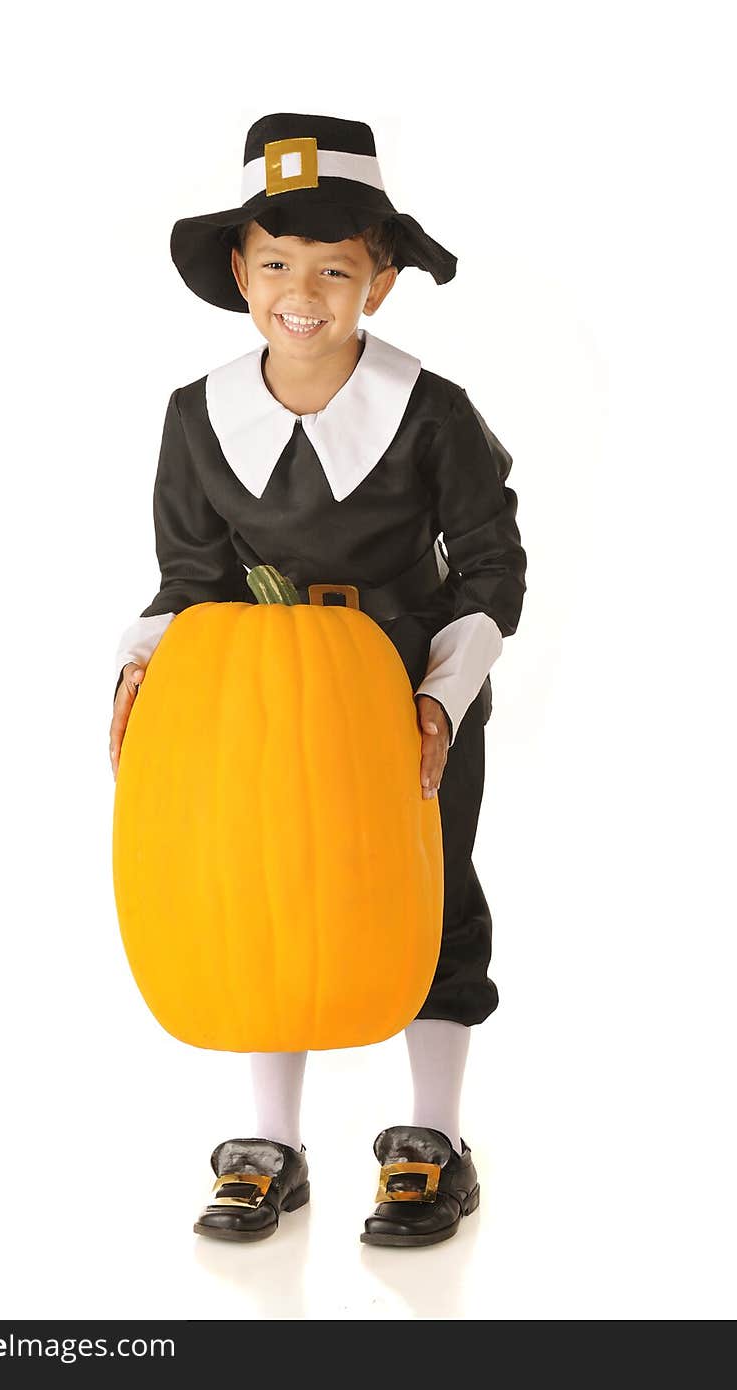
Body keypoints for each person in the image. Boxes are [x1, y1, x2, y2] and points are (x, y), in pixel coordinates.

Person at [109, 112, 527, 1247]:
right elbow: (187, 577)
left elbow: (490, 568)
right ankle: (271, 1146)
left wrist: (442, 695)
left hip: (402, 696)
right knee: (264, 896)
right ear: (242, 272)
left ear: (377, 284)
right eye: (279, 264)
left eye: (336, 269)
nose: (305, 292)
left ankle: (430, 1137)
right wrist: (137, 676)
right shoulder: (198, 418)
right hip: (246, 702)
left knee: (428, 893)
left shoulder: (429, 412)